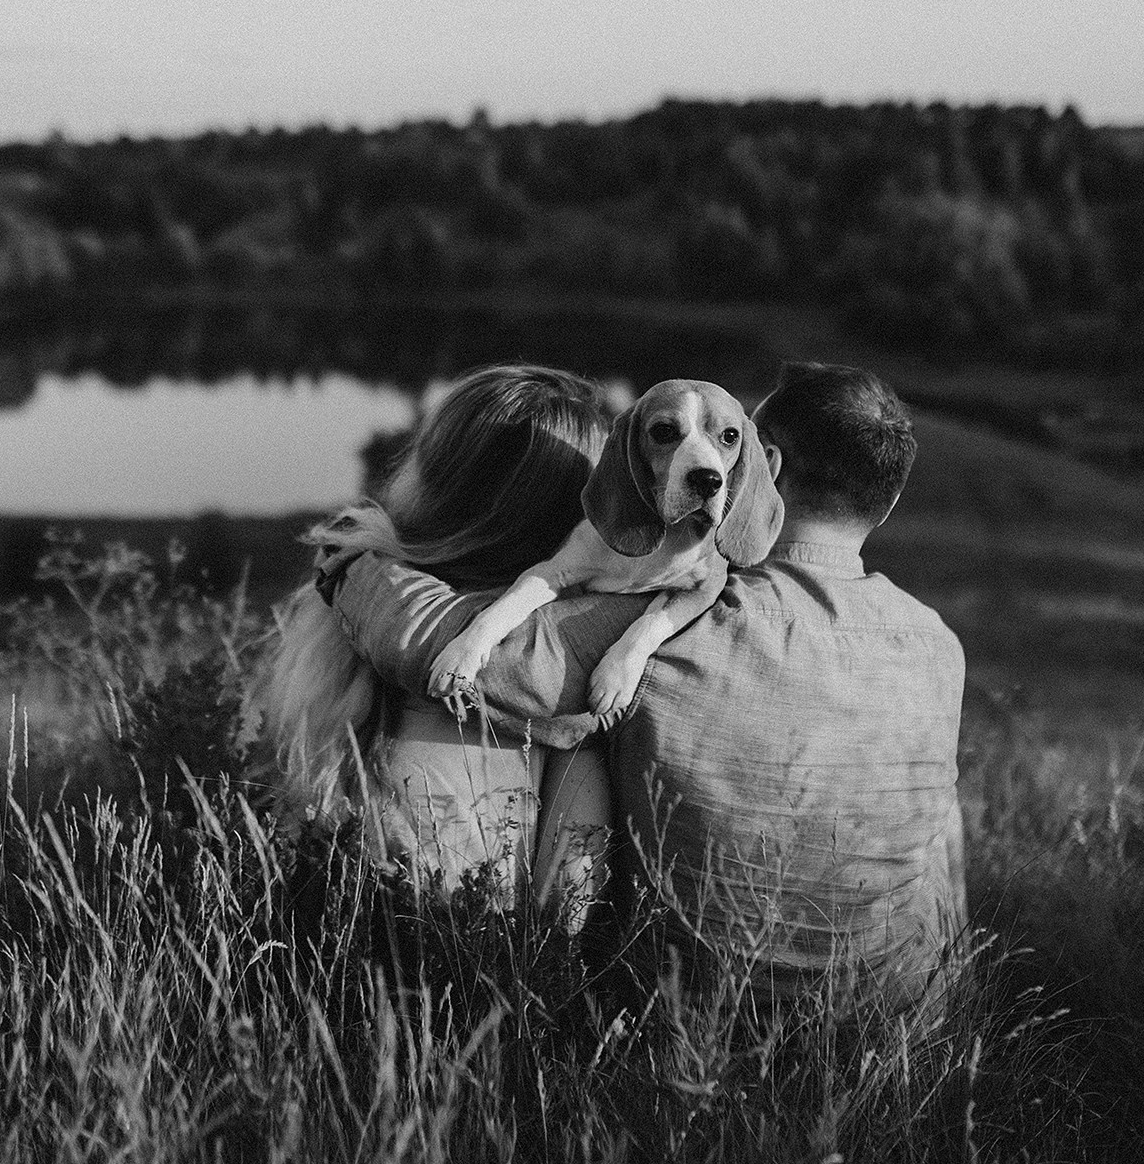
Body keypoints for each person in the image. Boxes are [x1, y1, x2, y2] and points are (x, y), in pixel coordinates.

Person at [322, 361, 967, 1005]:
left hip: (688, 1019)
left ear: (764, 466)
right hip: (891, 1015)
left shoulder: (686, 620)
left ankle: (482, 978)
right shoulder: (941, 647)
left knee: (539, 743)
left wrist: (352, 564)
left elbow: (473, 654)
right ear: (890, 499)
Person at [243, 363, 618, 906]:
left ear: (439, 476)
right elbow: (569, 892)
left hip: (331, 925)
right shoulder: (576, 660)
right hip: (483, 954)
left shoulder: (364, 590)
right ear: (574, 511)